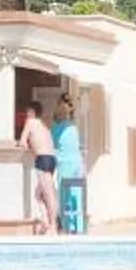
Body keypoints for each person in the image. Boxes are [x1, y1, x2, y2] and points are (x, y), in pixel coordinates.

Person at [18, 103, 58, 235]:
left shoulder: (30, 122)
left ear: (32, 112)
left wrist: (21, 143)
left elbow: (22, 142)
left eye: (28, 111)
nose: (26, 114)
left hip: (42, 159)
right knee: (38, 194)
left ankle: (53, 226)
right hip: (51, 160)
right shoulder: (44, 126)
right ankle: (45, 221)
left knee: (48, 194)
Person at [55, 100, 88, 233]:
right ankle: (79, 225)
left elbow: (52, 145)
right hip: (77, 165)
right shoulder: (74, 128)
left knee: (65, 196)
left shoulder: (56, 128)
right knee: (76, 195)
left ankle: (67, 225)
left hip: (64, 165)